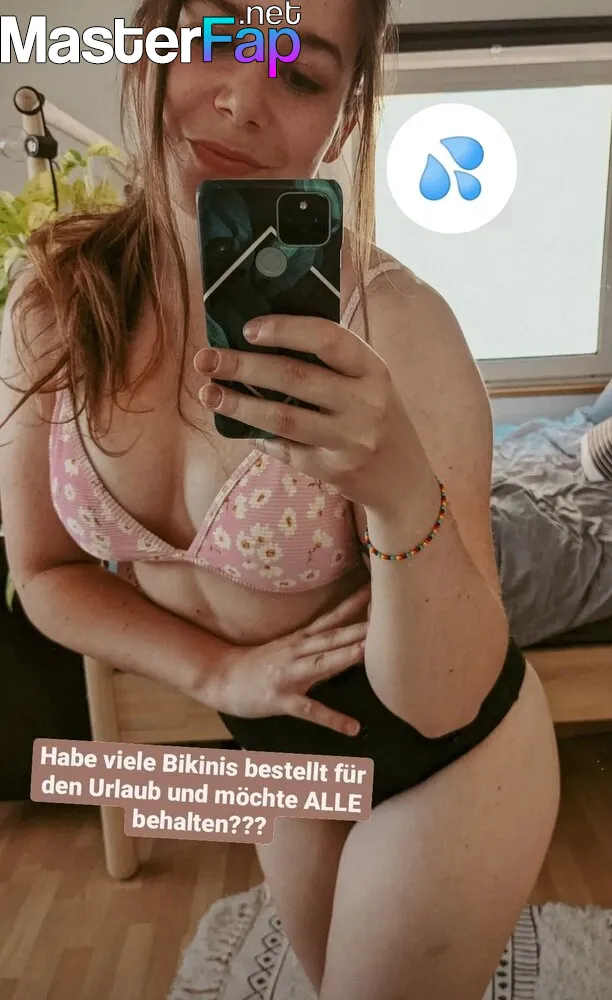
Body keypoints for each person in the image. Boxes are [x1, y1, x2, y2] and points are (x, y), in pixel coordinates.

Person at [0, 1, 560, 997]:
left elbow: (441, 700)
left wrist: (397, 488)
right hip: (274, 747)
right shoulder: (53, 306)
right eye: (216, 39)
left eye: (299, 76)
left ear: (344, 116)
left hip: (448, 759)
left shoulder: (397, 324)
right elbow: (43, 572)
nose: (243, 99)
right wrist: (218, 672)